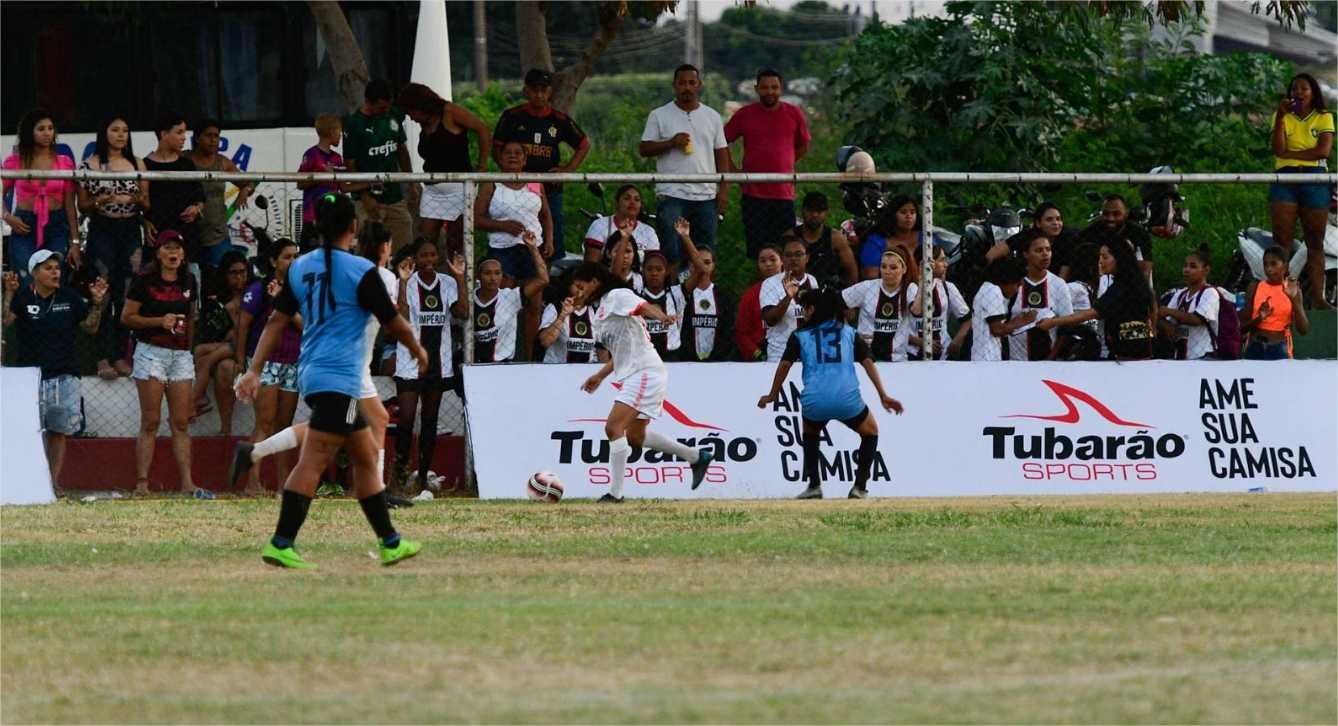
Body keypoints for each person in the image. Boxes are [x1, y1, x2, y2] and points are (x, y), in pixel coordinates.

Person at [235, 192, 429, 569]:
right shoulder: (361, 271)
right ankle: (281, 542)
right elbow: (393, 320)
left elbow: (276, 321)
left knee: (364, 457)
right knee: (314, 461)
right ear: (353, 228)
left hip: (313, 371)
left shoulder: (300, 267)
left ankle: (391, 542)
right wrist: (417, 350)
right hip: (341, 375)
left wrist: (254, 368)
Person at [230, 222, 405, 503]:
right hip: (349, 362)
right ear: (386, 247)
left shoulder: (344, 272)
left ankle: (255, 452)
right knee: (343, 424)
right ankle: (375, 492)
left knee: (368, 420)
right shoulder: (382, 276)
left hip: (338, 357)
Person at [571, 262, 715, 503]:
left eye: (579, 285)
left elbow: (645, 306)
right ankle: (696, 457)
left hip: (645, 372)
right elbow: (621, 351)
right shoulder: (600, 314)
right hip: (636, 373)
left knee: (613, 428)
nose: (577, 291)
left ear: (595, 282)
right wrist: (600, 376)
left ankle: (615, 494)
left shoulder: (617, 295)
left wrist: (664, 317)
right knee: (635, 437)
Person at [757, 287, 904, 500]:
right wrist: (883, 394)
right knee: (870, 432)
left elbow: (784, 366)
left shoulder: (799, 335)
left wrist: (772, 394)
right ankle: (860, 487)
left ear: (813, 309)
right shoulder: (849, 333)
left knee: (810, 432)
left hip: (815, 400)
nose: (803, 312)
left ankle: (814, 485)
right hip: (847, 399)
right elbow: (868, 363)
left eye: (805, 308)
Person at [2, 253, 107, 483]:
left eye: (57, 268)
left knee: (58, 430)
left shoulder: (70, 297)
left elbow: (90, 328)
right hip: (30, 377)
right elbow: (5, 321)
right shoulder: (22, 297)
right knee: (32, 430)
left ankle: (52, 482)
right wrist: (8, 293)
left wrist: (97, 303)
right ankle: (31, 481)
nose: (55, 272)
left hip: (65, 374)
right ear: (34, 273)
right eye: (48, 268)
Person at [122, 230, 209, 497]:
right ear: (158, 253)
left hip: (180, 355)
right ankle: (142, 483)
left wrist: (188, 349)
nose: (174, 253)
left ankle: (187, 483)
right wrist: (159, 322)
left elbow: (191, 316)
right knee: (151, 420)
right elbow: (127, 317)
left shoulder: (189, 280)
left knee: (181, 421)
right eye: (168, 248)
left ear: (183, 254)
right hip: (151, 352)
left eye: (178, 248)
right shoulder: (143, 281)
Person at [77, 114, 149, 380]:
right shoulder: (89, 164)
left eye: (125, 130)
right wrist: (99, 201)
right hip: (102, 230)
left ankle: (121, 354)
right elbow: (81, 206)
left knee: (126, 293)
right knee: (102, 293)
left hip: (130, 229)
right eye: (115, 130)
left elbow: (147, 203)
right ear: (104, 133)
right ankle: (102, 357)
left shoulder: (136, 163)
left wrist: (139, 199)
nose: (121, 135)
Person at [394, 238, 468, 492]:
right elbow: (401, 317)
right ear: (414, 259)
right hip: (409, 362)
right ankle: (399, 476)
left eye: (432, 255)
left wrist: (459, 277)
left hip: (439, 362)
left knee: (430, 420)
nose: (428, 261)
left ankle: (423, 477)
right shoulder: (405, 283)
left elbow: (464, 313)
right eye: (423, 256)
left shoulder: (446, 283)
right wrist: (403, 282)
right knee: (405, 419)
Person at [493, 68, 591, 258]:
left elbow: (584, 144)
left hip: (549, 187)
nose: (539, 94)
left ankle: (550, 278)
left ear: (550, 92)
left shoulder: (559, 119)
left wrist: (568, 170)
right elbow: (496, 147)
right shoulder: (512, 116)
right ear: (526, 91)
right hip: (518, 188)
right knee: (517, 235)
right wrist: (508, 173)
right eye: (534, 89)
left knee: (551, 238)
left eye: (543, 90)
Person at [639, 64, 730, 268]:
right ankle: (673, 295)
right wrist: (671, 142)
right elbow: (644, 149)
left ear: (699, 85)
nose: (687, 87)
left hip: (706, 196)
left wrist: (723, 191)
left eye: (691, 82)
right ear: (674, 86)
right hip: (672, 195)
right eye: (682, 83)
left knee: (704, 254)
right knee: (672, 253)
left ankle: (700, 297)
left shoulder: (712, 116)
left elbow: (722, 154)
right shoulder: (659, 115)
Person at [234, 238, 302, 495]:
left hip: (293, 363)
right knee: (264, 424)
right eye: (287, 257)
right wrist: (241, 361)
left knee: (284, 428)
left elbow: (306, 326)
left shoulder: (300, 291)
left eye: (296, 256)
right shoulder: (260, 289)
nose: (293, 261)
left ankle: (286, 486)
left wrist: (282, 303)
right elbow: (243, 325)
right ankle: (253, 484)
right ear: (274, 261)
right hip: (267, 363)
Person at [724, 68, 811, 259]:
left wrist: (786, 164)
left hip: (783, 195)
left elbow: (803, 145)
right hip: (753, 194)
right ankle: (762, 288)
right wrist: (733, 170)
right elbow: (721, 141)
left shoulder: (793, 113)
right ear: (757, 89)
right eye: (765, 87)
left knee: (786, 247)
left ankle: (786, 286)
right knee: (759, 251)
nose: (770, 91)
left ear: (781, 88)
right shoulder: (745, 114)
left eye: (774, 87)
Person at [398, 82, 491, 257]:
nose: (411, 117)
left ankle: (459, 281)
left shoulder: (449, 111)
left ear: (420, 105)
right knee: (425, 239)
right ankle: (424, 280)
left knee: (455, 240)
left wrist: (482, 166)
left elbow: (482, 129)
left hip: (458, 187)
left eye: (412, 112)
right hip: (433, 188)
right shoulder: (424, 124)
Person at [1269, 73, 1335, 310]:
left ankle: (1318, 298)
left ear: (1313, 92)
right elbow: (1277, 148)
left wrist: (1290, 156)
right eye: (1295, 89)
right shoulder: (1281, 116)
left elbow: (1323, 152)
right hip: (1285, 178)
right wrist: (1280, 117)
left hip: (1315, 179)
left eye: (1304, 89)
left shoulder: (1324, 116)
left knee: (1315, 241)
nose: (1298, 93)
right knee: (1282, 240)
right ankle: (1279, 296)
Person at [3, 109, 79, 284]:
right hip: (24, 226)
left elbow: (69, 205)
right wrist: (8, 217)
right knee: (27, 280)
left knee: (55, 278)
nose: (47, 133)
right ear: (30, 132)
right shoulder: (15, 161)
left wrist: (75, 242)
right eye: (41, 129)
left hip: (57, 226)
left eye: (50, 128)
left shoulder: (64, 162)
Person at [343, 79, 415, 251]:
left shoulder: (393, 116)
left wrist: (411, 182)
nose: (385, 111)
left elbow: (402, 151)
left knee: (404, 248)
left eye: (388, 106)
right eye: (381, 107)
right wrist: (365, 197)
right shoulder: (354, 125)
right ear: (368, 102)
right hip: (367, 200)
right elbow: (350, 166)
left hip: (395, 197)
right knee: (368, 251)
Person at [1060, 241, 1155, 360]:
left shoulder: (1123, 287)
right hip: (1136, 347)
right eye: (1099, 257)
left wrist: (1055, 321)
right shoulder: (1133, 281)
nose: (1100, 261)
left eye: (1105, 257)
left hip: (1130, 353)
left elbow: (1095, 312)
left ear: (1118, 259)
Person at [475, 140, 554, 282]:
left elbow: (546, 216)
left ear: (524, 160)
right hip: (502, 248)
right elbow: (475, 219)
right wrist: (503, 226)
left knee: (534, 295)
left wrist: (549, 240)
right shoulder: (491, 184)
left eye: (518, 153)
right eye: (508, 153)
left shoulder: (535, 182)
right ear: (500, 159)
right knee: (505, 297)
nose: (513, 156)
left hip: (534, 248)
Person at [189, 250, 248, 434]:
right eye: (234, 273)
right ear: (225, 275)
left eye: (243, 272)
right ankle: (206, 405)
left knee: (209, 361)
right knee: (202, 353)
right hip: (230, 347)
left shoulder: (253, 294)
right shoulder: (219, 300)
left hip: (247, 348)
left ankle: (194, 402)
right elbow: (218, 333)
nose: (240, 277)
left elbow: (242, 333)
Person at [188, 119, 253, 283]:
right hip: (190, 232)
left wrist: (244, 191)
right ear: (197, 138)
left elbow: (247, 182)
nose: (213, 140)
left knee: (223, 278)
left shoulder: (222, 162)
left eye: (216, 136)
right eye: (208, 135)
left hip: (217, 234)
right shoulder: (185, 159)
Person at [471, 235, 549, 363]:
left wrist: (534, 249)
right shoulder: (470, 299)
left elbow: (543, 279)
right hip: (475, 363)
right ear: (478, 276)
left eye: (497, 273)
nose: (493, 278)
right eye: (488, 273)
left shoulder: (510, 297)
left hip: (504, 364)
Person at [143, 112, 205, 264]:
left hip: (187, 236)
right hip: (158, 236)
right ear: (164, 134)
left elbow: (200, 198)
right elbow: (139, 201)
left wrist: (196, 208)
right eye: (179, 132)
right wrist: (144, 221)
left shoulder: (187, 165)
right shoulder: (144, 165)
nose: (184, 137)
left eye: (185, 132)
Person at [1006, 229, 1074, 361]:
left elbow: (1067, 325)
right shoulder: (1013, 282)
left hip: (1048, 362)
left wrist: (1050, 359)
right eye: (1039, 250)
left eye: (1048, 250)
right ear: (1026, 254)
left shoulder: (1058, 284)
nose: (1045, 254)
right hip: (1013, 362)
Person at [674, 219, 736, 362]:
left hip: (718, 363)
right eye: (697, 262)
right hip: (685, 362)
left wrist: (714, 359)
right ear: (690, 265)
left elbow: (728, 333)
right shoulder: (680, 294)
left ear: (713, 265)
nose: (702, 266)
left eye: (707, 262)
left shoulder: (724, 297)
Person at [842, 248, 913, 362]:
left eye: (893, 267)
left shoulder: (910, 289)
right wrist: (849, 333)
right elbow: (834, 303)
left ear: (904, 269)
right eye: (883, 266)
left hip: (897, 360)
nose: (887, 271)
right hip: (865, 357)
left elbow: (918, 312)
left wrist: (923, 283)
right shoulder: (867, 287)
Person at [1240, 245, 1310, 359]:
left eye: (1273, 264)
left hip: (1279, 348)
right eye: (1265, 264)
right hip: (1255, 346)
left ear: (1285, 267)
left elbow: (1303, 330)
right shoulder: (1255, 287)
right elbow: (1241, 327)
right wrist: (1259, 318)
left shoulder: (1293, 290)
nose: (1269, 269)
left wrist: (1294, 300)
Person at [1157, 245, 1223, 360]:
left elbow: (1196, 319)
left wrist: (1168, 311)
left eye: (1193, 266)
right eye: (1185, 265)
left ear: (1206, 270)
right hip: (1182, 357)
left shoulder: (1210, 293)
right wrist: (1167, 326)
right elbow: (1164, 319)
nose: (1186, 270)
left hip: (1204, 356)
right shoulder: (1181, 294)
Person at [907, 245, 971, 361]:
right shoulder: (910, 288)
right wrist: (920, 342)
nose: (946, 264)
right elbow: (897, 328)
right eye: (941, 260)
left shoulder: (947, 287)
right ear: (928, 263)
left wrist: (957, 341)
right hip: (912, 354)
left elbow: (967, 319)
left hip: (943, 355)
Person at [781, 192, 857, 288]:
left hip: (827, 290)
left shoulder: (836, 238)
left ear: (826, 213)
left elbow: (851, 270)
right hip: (794, 288)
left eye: (819, 211)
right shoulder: (790, 236)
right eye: (810, 210)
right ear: (802, 211)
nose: (814, 215)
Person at [760, 238, 819, 362]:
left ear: (807, 257)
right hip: (780, 355)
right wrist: (788, 297)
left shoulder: (812, 281)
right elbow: (770, 320)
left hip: (810, 354)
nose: (793, 259)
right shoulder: (770, 284)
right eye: (788, 255)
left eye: (798, 254)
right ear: (782, 259)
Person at [969, 256, 1035, 362]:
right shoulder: (993, 291)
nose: (1017, 290)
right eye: (1017, 285)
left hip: (985, 356)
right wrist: (1025, 320)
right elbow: (997, 329)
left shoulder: (987, 289)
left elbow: (998, 326)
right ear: (1007, 279)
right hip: (986, 358)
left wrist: (1018, 320)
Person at [538, 268, 605, 364]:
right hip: (556, 372)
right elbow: (545, 342)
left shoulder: (594, 312)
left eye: (585, 289)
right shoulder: (555, 308)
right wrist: (562, 316)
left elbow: (601, 348)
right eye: (578, 287)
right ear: (568, 285)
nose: (580, 293)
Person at [1078, 194, 1153, 279]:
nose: (1111, 218)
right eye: (1106, 214)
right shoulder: (1090, 232)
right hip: (1098, 278)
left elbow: (1146, 268)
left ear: (1126, 213)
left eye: (1116, 214)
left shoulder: (1139, 233)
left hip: (1130, 278)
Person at [296, 113, 347, 235]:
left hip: (332, 217)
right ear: (331, 132)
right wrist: (322, 175)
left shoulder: (337, 158)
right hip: (313, 217)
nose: (340, 136)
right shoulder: (311, 154)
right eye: (339, 132)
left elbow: (343, 187)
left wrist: (369, 183)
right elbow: (300, 183)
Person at [582, 184, 660, 264]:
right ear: (616, 203)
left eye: (637, 199)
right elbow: (590, 265)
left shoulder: (649, 232)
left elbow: (652, 265)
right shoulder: (599, 225)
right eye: (627, 198)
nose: (632, 202)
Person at [1003, 202, 1078, 280]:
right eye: (1049, 220)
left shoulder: (1069, 238)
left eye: (1058, 219)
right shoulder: (1027, 235)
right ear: (1038, 223)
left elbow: (1063, 275)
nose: (1056, 223)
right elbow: (998, 250)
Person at [735, 245, 782, 361]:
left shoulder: (795, 289)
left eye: (772, 259)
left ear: (782, 262)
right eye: (763, 261)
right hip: (760, 353)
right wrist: (758, 354)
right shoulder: (750, 295)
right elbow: (742, 332)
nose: (768, 264)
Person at [858, 195, 919, 279]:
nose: (909, 216)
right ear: (892, 215)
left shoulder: (925, 237)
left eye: (912, 212)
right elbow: (871, 276)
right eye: (903, 212)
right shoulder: (876, 241)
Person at [637, 250, 683, 360]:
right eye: (649, 269)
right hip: (643, 357)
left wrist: (685, 237)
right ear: (642, 271)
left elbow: (700, 270)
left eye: (659, 269)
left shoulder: (676, 295)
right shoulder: (636, 297)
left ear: (666, 271)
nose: (654, 273)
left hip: (671, 357)